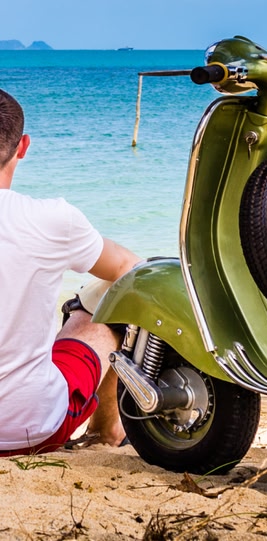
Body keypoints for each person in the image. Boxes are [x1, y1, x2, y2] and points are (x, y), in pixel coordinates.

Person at [0, 88, 141, 456]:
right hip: (31, 430)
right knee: (111, 299)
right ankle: (108, 432)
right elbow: (130, 269)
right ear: (23, 146)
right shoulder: (51, 219)